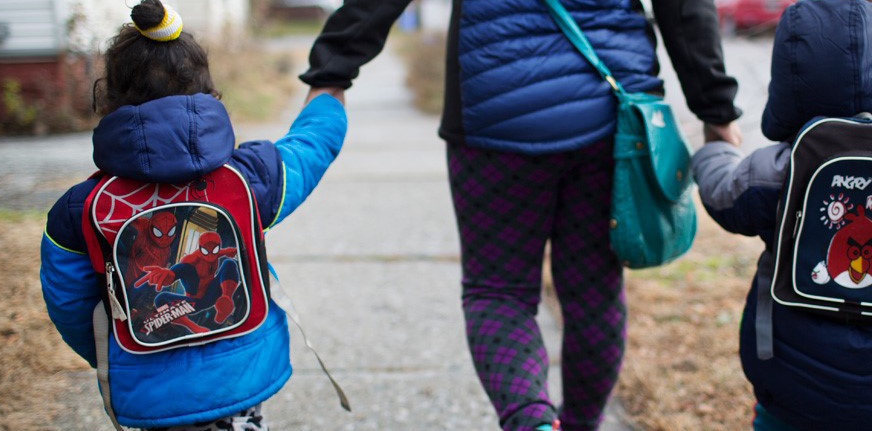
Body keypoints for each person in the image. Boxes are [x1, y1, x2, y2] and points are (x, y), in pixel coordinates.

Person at [301, 1, 740, 430]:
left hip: (496, 110)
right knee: (594, 291)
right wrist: (714, 106)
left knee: (499, 292)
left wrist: (333, 69)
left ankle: (532, 423)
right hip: (609, 111)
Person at [38, 1, 347, 429]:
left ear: (107, 98)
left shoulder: (80, 211)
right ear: (208, 94)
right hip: (240, 380)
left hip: (150, 398)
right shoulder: (248, 180)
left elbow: (69, 305)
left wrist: (116, 356)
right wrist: (328, 95)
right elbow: (312, 146)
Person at [690, 1, 872, 430]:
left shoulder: (784, 168)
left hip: (792, 392)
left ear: (788, 82)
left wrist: (713, 149)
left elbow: (724, 195)